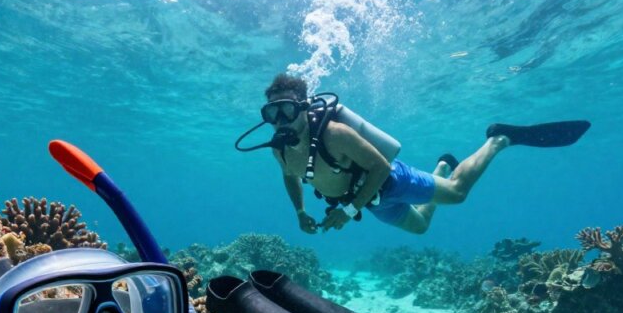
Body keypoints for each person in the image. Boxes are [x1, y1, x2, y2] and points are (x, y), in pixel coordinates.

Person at [251, 73, 589, 235]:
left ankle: (498, 140)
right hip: (369, 201)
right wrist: (299, 210)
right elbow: (289, 176)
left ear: (303, 108)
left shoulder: (336, 135)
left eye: (286, 111)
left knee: (457, 195)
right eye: (272, 113)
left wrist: (349, 209)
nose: (280, 122)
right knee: (421, 227)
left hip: (390, 182)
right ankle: (440, 167)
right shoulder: (279, 151)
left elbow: (381, 167)